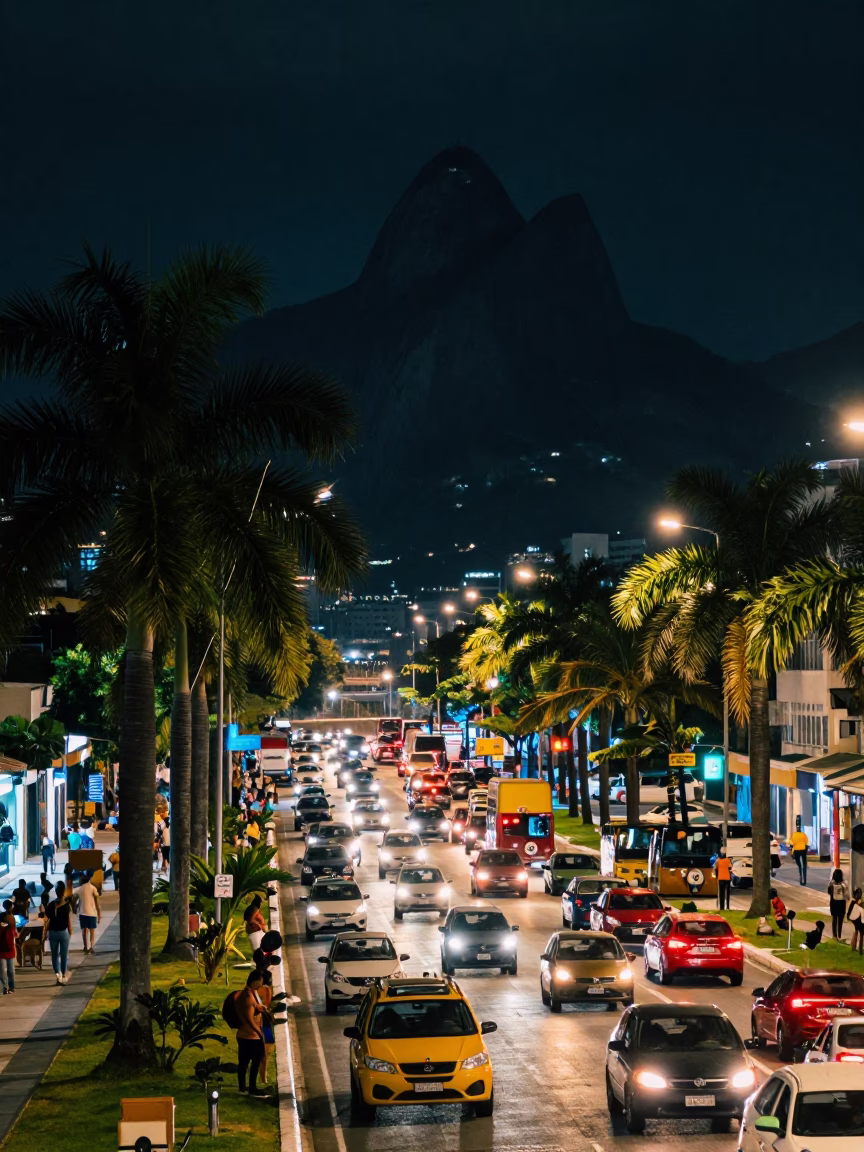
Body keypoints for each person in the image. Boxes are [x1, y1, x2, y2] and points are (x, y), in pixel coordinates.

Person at [236, 970, 268, 1097]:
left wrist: (260, 1008)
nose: (262, 983)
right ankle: (251, 1089)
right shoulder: (248, 997)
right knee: (254, 1061)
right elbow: (249, 1019)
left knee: (244, 1062)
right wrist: (259, 1032)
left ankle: (243, 1088)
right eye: (260, 981)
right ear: (255, 981)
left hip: (244, 1035)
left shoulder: (248, 993)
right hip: (250, 1036)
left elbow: (252, 1009)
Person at [46, 882, 73, 984]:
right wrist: (70, 931)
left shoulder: (50, 905)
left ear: (56, 892)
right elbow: (69, 920)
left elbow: (47, 920)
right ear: (63, 891)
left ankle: (58, 974)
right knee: (64, 954)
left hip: (53, 932)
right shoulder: (67, 906)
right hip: (63, 932)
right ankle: (63, 973)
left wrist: (45, 932)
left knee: (54, 955)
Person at [76, 872, 101, 953]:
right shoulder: (93, 888)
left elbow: (73, 898)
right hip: (92, 913)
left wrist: (74, 907)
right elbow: (97, 902)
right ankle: (91, 946)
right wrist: (99, 913)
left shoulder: (79, 889)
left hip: (83, 913)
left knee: (84, 931)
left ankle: (85, 947)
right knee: (92, 931)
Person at [828, 868, 851, 941]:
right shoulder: (844, 884)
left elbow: (829, 892)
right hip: (841, 903)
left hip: (833, 903)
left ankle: (834, 935)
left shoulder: (831, 883)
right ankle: (839, 935)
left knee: (834, 919)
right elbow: (846, 895)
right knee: (840, 920)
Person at [0, 901, 16, 995]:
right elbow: (14, 932)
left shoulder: (11, 918)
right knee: (10, 970)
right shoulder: (11, 918)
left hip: (4, 948)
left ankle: (6, 987)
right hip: (8, 947)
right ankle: (10, 987)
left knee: (4, 971)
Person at [848, 888, 864, 956]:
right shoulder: (860, 903)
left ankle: (854, 947)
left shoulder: (853, 902)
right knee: (861, 933)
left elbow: (849, 912)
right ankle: (860, 950)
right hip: (858, 920)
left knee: (856, 932)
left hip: (853, 919)